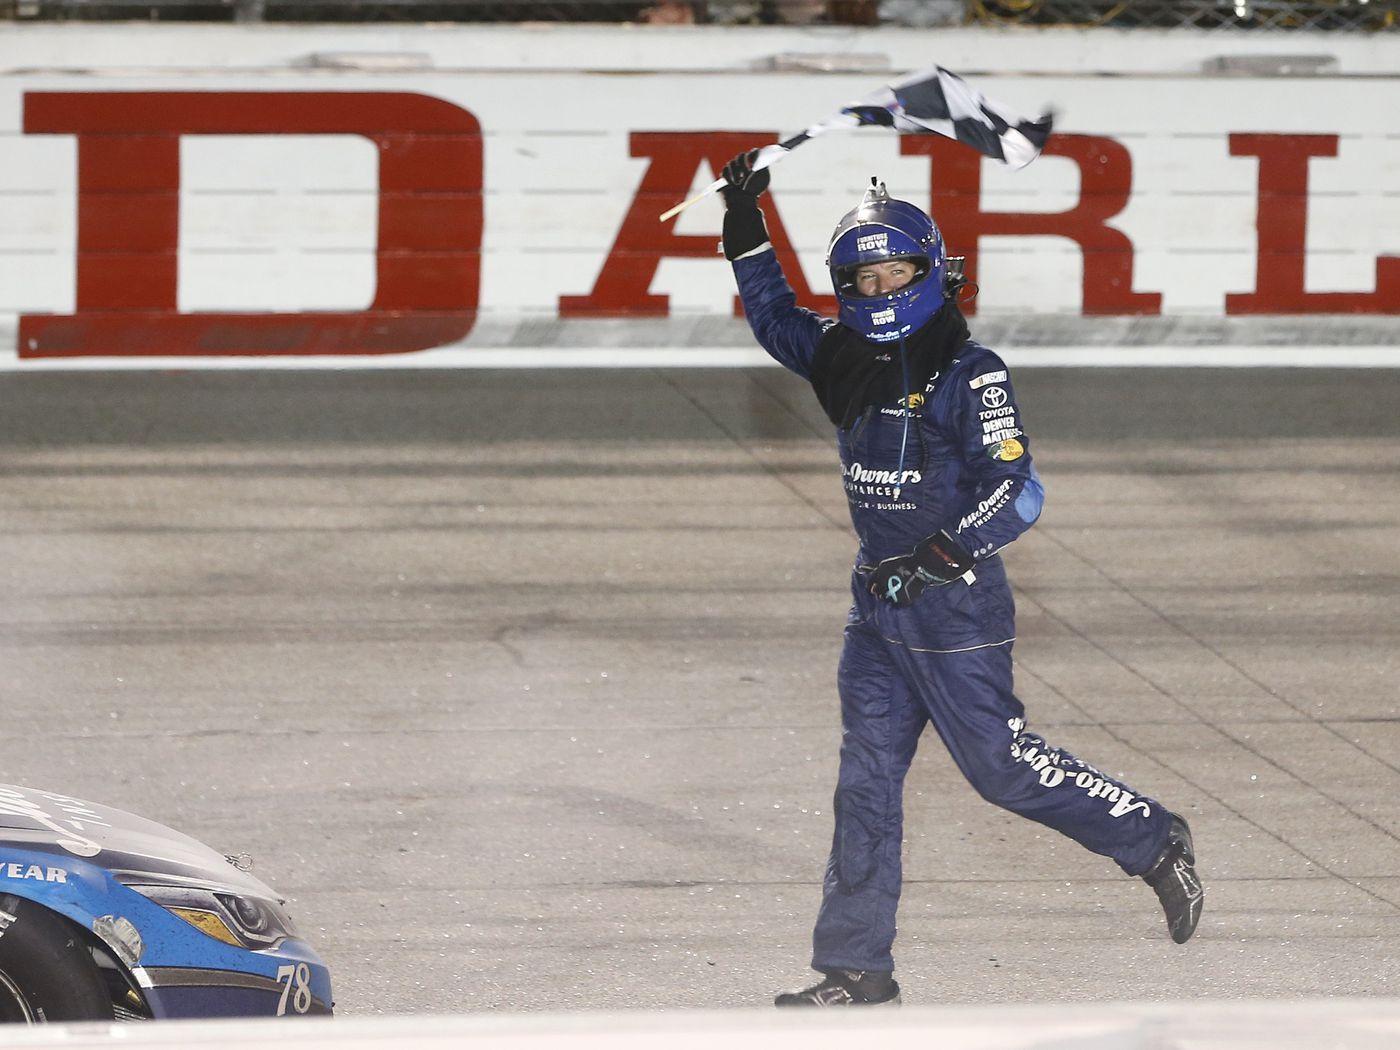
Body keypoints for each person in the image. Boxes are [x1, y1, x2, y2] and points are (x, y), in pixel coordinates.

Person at [717, 150, 1204, 1007]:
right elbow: (772, 316)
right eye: (860, 279)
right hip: (876, 606)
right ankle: (857, 966)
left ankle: (1152, 835)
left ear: (932, 272)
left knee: (999, 769)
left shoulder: (969, 372)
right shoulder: (842, 358)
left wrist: (942, 555)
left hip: (953, 604)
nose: (877, 291)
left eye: (894, 272)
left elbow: (1019, 490)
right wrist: (748, 230)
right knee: (865, 782)